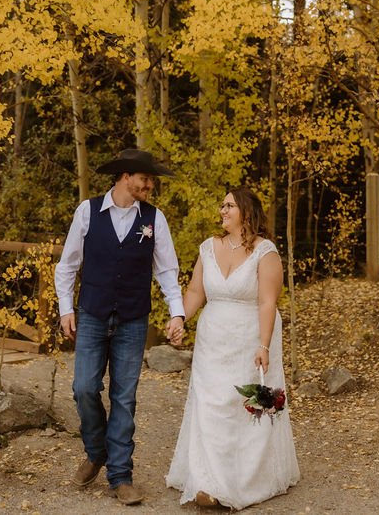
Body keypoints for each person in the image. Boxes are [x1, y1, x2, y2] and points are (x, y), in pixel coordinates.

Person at [54, 148, 187, 506]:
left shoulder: (154, 219)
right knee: (83, 388)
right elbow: (67, 265)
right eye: (145, 179)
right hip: (93, 315)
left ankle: (120, 475)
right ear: (125, 177)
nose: (150, 185)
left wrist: (177, 314)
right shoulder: (88, 211)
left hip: (132, 319)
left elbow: (167, 272)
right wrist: (66, 309)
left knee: (124, 399)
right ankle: (96, 451)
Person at [166, 187, 300, 509]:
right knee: (209, 404)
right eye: (222, 204)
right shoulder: (208, 248)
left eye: (229, 205)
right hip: (212, 340)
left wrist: (264, 345)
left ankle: (243, 480)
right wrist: (179, 318)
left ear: (245, 211)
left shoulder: (265, 252)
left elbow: (268, 301)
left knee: (241, 405)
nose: (222, 210)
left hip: (249, 338)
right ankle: (205, 481)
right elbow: (197, 290)